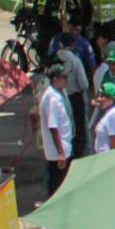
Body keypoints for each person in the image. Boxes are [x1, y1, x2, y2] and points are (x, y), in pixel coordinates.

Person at [38, 64, 73, 196]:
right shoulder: (52, 98)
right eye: (64, 77)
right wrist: (61, 152)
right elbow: (53, 126)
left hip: (64, 148)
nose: (67, 80)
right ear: (55, 79)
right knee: (57, 187)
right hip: (58, 153)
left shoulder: (58, 94)